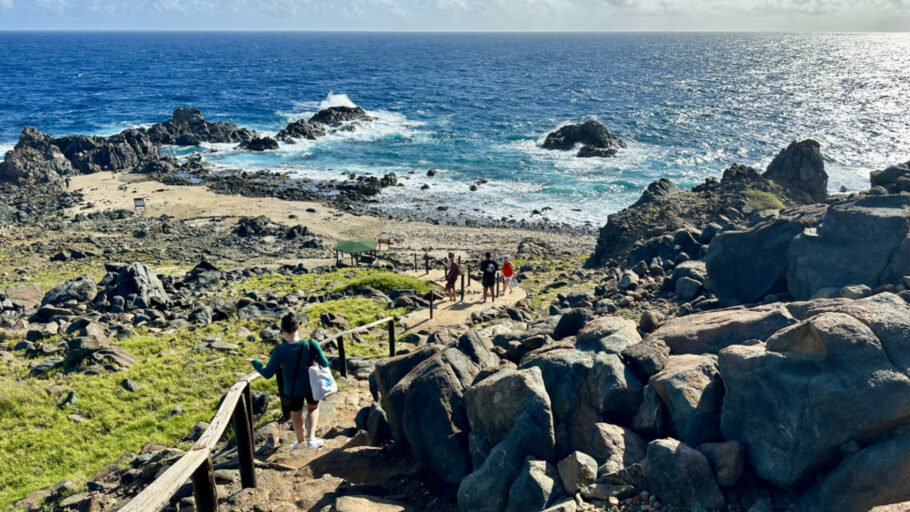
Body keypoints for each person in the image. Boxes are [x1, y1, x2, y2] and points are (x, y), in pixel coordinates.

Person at [247, 313, 329, 449]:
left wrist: (255, 362)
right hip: (311, 386)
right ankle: (311, 439)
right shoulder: (311, 344)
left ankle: (301, 441)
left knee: (295, 415)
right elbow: (325, 363)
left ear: (283, 331)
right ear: (299, 327)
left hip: (292, 390)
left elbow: (267, 373)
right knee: (313, 408)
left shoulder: (279, 350)